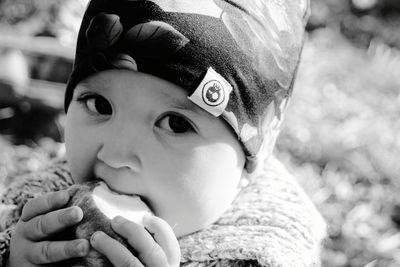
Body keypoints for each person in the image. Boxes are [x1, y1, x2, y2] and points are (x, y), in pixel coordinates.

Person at [0, 0, 326, 266]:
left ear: (247, 164)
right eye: (99, 104)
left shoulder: (265, 252)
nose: (115, 155)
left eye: (176, 124)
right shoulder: (45, 204)